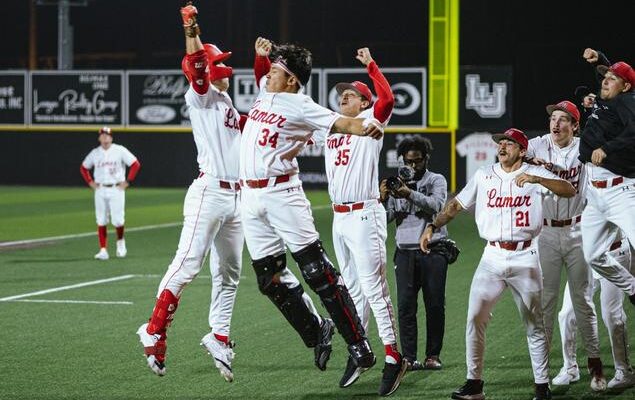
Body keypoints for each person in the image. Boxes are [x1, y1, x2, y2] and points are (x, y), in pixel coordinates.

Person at [239, 37, 383, 379]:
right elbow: (262, 74)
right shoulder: (266, 92)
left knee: (318, 273)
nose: (268, 75)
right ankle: (318, 330)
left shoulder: (300, 105)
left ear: (291, 80)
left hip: (282, 194)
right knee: (269, 279)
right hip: (249, 198)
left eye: (275, 71)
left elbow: (343, 123)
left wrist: (369, 126)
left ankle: (359, 345)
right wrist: (262, 58)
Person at [420, 128, 577, 400]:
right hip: (491, 257)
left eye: (509, 143)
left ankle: (542, 387)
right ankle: (474, 384)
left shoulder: (534, 174)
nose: (502, 147)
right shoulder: (485, 175)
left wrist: (538, 178)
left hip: (526, 256)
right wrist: (433, 226)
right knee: (474, 318)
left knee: (534, 324)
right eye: (500, 143)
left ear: (523, 150)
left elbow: (569, 190)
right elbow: (456, 205)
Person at [136, 3, 243, 382]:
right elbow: (196, 67)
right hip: (209, 192)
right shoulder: (202, 96)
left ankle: (219, 336)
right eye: (219, 63)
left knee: (230, 272)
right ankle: (153, 330)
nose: (225, 68)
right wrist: (191, 29)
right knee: (188, 265)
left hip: (236, 198)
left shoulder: (226, 103)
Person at [310, 47, 406, 395]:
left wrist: (371, 66)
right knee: (349, 290)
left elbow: (388, 99)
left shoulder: (370, 122)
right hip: (339, 218)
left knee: (374, 289)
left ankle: (394, 357)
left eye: (350, 95)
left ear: (364, 103)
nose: (343, 97)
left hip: (365, 214)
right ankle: (360, 350)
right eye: (341, 95)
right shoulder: (332, 129)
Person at [525, 100, 606, 391]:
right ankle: (544, 374)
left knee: (583, 302)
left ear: (575, 125)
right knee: (544, 305)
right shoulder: (538, 144)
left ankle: (595, 368)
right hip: (545, 234)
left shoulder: (584, 148)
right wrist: (523, 156)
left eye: (562, 119)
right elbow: (511, 147)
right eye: (553, 118)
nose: (555, 123)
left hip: (578, 230)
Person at [381, 136, 450, 374]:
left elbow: (437, 206)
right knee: (405, 307)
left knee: (434, 305)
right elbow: (386, 219)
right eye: (408, 161)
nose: (412, 166)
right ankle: (409, 358)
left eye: (417, 161)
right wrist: (382, 199)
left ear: (426, 159)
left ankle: (432, 355)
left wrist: (408, 193)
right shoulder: (396, 184)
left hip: (433, 250)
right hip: (404, 252)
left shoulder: (436, 180)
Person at [577, 49, 635, 305]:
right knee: (593, 256)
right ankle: (633, 288)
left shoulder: (626, 102)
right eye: (605, 76)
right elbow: (610, 75)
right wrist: (599, 60)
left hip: (621, 191)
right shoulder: (608, 100)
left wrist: (607, 148)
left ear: (626, 87)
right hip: (596, 195)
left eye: (612, 79)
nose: (605, 81)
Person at [554, 236, 635, 390]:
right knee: (567, 313)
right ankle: (570, 368)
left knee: (611, 315)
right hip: (585, 258)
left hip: (614, 254)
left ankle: (624, 370)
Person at [80, 126, 140, 260]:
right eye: (102, 135)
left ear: (111, 137)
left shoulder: (119, 150)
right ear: (99, 138)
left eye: (107, 135)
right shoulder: (95, 153)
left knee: (118, 220)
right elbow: (84, 168)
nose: (105, 137)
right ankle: (103, 250)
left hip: (116, 188)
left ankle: (120, 243)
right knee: (101, 219)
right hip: (100, 189)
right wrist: (90, 182)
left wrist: (128, 181)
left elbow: (135, 164)